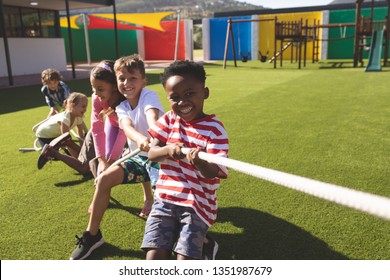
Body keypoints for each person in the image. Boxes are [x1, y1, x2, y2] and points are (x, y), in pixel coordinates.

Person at [69, 54, 164, 260]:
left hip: (160, 159)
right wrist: (107, 159)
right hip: (139, 157)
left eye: (132, 79)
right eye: (122, 79)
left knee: (165, 198)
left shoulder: (148, 95)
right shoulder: (121, 107)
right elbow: (126, 127)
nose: (127, 84)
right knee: (103, 178)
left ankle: (200, 239)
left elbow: (152, 117)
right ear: (116, 82)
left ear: (144, 81)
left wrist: (153, 135)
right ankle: (92, 236)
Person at [141, 60, 229, 260]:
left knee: (184, 260)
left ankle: (206, 244)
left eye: (190, 94)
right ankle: (194, 240)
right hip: (165, 199)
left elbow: (214, 171)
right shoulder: (170, 119)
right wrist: (168, 149)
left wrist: (198, 161)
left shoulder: (215, 129)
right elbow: (152, 153)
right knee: (154, 257)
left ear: (204, 93)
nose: (182, 102)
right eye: (175, 97)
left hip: (197, 204)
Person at [37, 60, 127, 177]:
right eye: (93, 88)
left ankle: (68, 143)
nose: (96, 93)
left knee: (98, 161)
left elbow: (122, 131)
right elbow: (96, 128)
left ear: (114, 86)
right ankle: (56, 150)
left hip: (113, 130)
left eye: (100, 89)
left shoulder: (125, 100)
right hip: (101, 133)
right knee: (84, 167)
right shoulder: (97, 98)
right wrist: (102, 160)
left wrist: (110, 160)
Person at [36, 92, 89, 169]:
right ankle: (48, 153)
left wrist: (83, 151)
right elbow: (67, 142)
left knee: (68, 149)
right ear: (73, 106)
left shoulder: (78, 117)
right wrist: (79, 161)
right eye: (83, 106)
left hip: (56, 135)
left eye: (86, 106)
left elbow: (80, 136)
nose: (85, 109)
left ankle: (57, 151)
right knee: (55, 156)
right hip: (45, 135)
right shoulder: (65, 118)